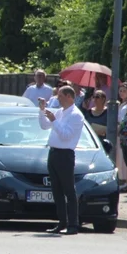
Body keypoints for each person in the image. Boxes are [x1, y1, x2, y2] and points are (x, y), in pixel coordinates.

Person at [39, 86, 85, 235]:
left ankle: (73, 225)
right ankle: (62, 222)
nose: (58, 98)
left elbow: (66, 135)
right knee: (56, 191)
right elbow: (44, 125)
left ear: (69, 97)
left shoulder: (76, 115)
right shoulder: (60, 112)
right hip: (53, 153)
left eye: (61, 96)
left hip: (65, 155)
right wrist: (42, 110)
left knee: (68, 191)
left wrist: (54, 121)